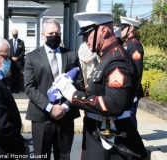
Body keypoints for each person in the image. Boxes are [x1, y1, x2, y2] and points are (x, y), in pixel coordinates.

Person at [53, 12, 148, 160]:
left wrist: (74, 96)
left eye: (87, 34)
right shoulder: (106, 57)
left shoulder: (117, 60)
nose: (84, 40)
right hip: (99, 133)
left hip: (112, 139)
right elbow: (97, 90)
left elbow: (113, 104)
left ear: (103, 31)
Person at [24, 18, 84, 160]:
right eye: (51, 33)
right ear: (43, 35)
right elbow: (29, 87)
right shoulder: (32, 57)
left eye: (58, 33)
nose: (55, 36)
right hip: (41, 116)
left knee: (64, 156)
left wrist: (64, 107)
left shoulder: (71, 55)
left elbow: (79, 85)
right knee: (41, 156)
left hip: (66, 115)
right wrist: (50, 108)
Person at [120, 16, 144, 129]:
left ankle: (134, 145)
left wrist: (134, 91)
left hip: (131, 90)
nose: (121, 30)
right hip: (126, 88)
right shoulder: (126, 44)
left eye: (123, 27)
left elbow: (137, 70)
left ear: (131, 29)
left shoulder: (134, 45)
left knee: (130, 119)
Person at [8, 29, 25, 93]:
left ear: (18, 34)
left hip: (18, 62)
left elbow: (23, 52)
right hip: (11, 61)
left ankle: (17, 89)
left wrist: (17, 58)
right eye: (14, 33)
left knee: (17, 76)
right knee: (12, 75)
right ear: (12, 34)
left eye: (16, 33)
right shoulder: (9, 42)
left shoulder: (21, 42)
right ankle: (12, 89)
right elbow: (7, 51)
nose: (15, 34)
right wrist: (11, 57)